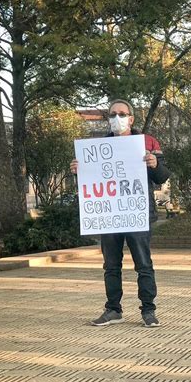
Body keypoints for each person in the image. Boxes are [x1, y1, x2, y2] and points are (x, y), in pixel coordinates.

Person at [71, 99, 171, 327]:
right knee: (111, 265)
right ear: (108, 119)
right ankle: (113, 309)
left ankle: (148, 310)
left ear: (131, 118)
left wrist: (155, 163)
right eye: (113, 114)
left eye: (122, 114)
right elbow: (92, 182)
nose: (118, 118)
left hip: (138, 213)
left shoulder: (147, 143)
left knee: (143, 264)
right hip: (109, 215)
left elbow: (162, 176)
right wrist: (79, 170)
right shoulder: (96, 149)